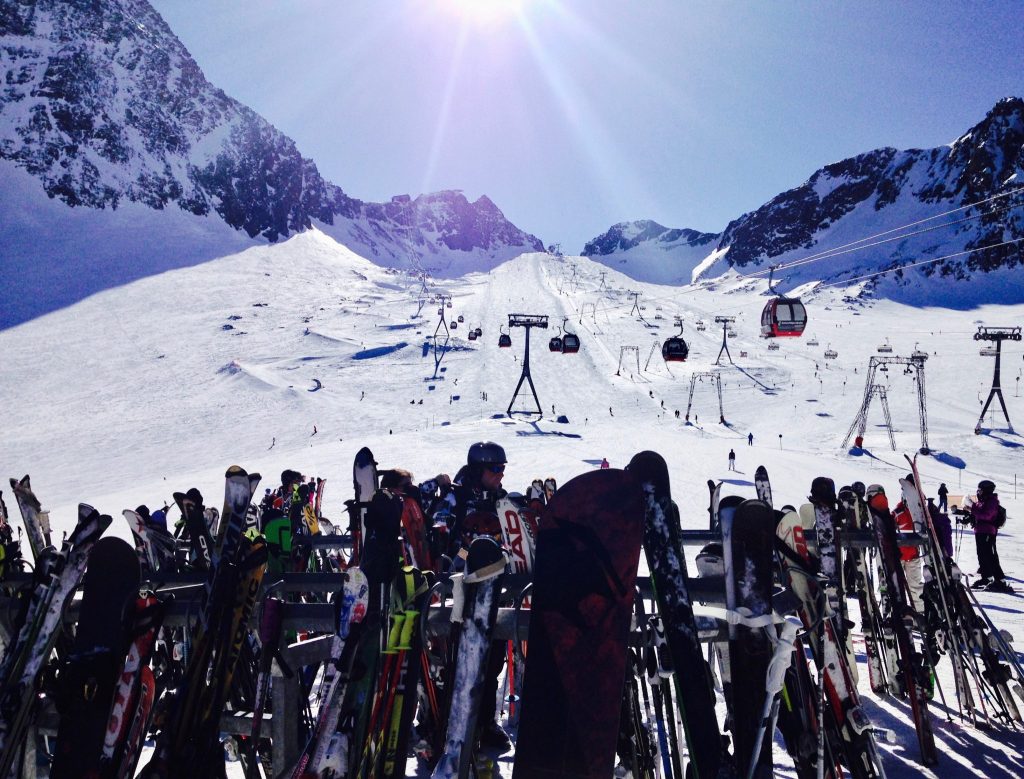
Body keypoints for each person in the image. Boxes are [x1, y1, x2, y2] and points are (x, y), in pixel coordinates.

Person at [432, 441, 512, 750]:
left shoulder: (501, 501)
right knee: (457, 659)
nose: (500, 475)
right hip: (461, 592)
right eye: (496, 469)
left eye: (503, 469)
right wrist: (459, 551)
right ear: (479, 469)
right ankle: (447, 724)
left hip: (495, 592)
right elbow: (440, 534)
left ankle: (485, 723)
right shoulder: (455, 496)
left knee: (492, 663)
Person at [969, 480, 1006, 591]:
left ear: (986, 491)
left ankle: (1000, 580)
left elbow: (987, 515)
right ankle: (986, 577)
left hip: (988, 532)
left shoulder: (992, 501)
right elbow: (977, 512)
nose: (978, 492)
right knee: (982, 555)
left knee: (990, 555)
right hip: (980, 531)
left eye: (980, 490)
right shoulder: (982, 501)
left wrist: (973, 509)